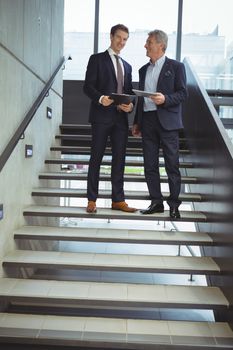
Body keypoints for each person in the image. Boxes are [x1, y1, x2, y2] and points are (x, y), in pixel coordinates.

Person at [132, 29, 188, 219]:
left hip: (168, 123)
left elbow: (183, 93)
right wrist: (137, 122)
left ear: (160, 45)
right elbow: (140, 100)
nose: (146, 45)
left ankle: (174, 205)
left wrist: (165, 98)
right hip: (147, 121)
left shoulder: (176, 67)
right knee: (150, 165)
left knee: (172, 165)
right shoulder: (142, 70)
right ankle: (156, 202)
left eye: (149, 42)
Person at [83, 24, 137, 213]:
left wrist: (130, 106)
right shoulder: (96, 59)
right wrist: (101, 99)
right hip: (101, 117)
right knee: (96, 158)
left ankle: (118, 200)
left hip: (121, 120)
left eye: (125, 39)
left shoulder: (127, 66)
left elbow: (129, 93)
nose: (121, 42)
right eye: (119, 38)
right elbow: (88, 86)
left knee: (119, 160)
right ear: (111, 37)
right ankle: (91, 199)